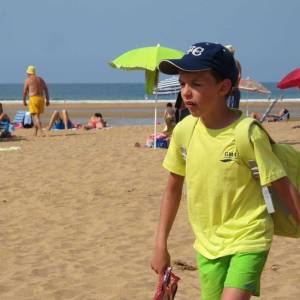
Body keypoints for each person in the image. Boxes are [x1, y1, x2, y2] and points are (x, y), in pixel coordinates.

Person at [151, 42, 300, 300]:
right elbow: (173, 188)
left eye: (196, 84)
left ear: (223, 87)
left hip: (249, 236)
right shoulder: (185, 131)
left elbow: (281, 183)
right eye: (183, 84)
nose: (186, 93)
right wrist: (160, 244)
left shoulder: (247, 132)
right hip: (207, 244)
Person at [22, 65, 50, 136]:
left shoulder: (28, 80)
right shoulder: (40, 79)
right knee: (37, 116)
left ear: (29, 73)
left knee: (35, 116)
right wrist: (47, 100)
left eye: (27, 73)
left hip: (33, 98)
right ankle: (35, 132)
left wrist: (24, 100)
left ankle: (41, 132)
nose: (27, 74)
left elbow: (24, 91)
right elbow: (46, 89)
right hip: (41, 98)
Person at [225, 44, 242, 109]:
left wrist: (234, 86)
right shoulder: (233, 62)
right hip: (231, 90)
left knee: (231, 110)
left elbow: (238, 76)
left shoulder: (234, 62)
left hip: (232, 90)